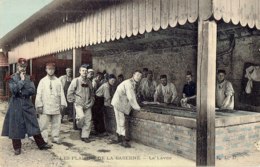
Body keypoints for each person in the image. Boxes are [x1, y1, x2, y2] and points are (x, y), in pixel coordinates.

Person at [1, 58, 52, 155]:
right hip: (16, 104)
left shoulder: (29, 77)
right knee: (16, 126)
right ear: (17, 66)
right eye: (21, 66)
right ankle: (17, 147)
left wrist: (21, 89)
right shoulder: (11, 78)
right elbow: (14, 91)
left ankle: (41, 144)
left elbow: (32, 90)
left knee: (33, 123)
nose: (22, 68)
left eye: (24, 67)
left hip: (27, 103)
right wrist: (22, 82)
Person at [35, 63, 67, 144]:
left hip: (56, 105)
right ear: (46, 70)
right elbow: (39, 94)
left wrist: (62, 103)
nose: (51, 70)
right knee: (44, 124)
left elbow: (61, 93)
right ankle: (44, 139)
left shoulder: (58, 81)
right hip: (45, 105)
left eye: (52, 69)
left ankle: (55, 137)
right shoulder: (42, 81)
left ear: (54, 70)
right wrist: (39, 105)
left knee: (56, 123)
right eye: (49, 69)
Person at [111, 70, 142, 148]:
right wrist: (137, 108)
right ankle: (123, 141)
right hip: (119, 104)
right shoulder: (129, 83)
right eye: (137, 75)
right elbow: (131, 97)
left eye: (140, 76)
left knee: (119, 121)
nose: (139, 77)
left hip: (121, 103)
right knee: (122, 122)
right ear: (133, 75)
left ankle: (119, 138)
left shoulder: (133, 83)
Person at [67, 64, 95, 143]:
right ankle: (79, 125)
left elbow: (92, 93)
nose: (84, 72)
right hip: (79, 104)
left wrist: (91, 102)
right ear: (80, 72)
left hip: (88, 104)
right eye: (83, 71)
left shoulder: (89, 82)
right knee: (81, 117)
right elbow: (70, 92)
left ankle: (85, 136)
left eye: (86, 71)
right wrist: (74, 100)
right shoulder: (76, 80)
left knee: (88, 120)